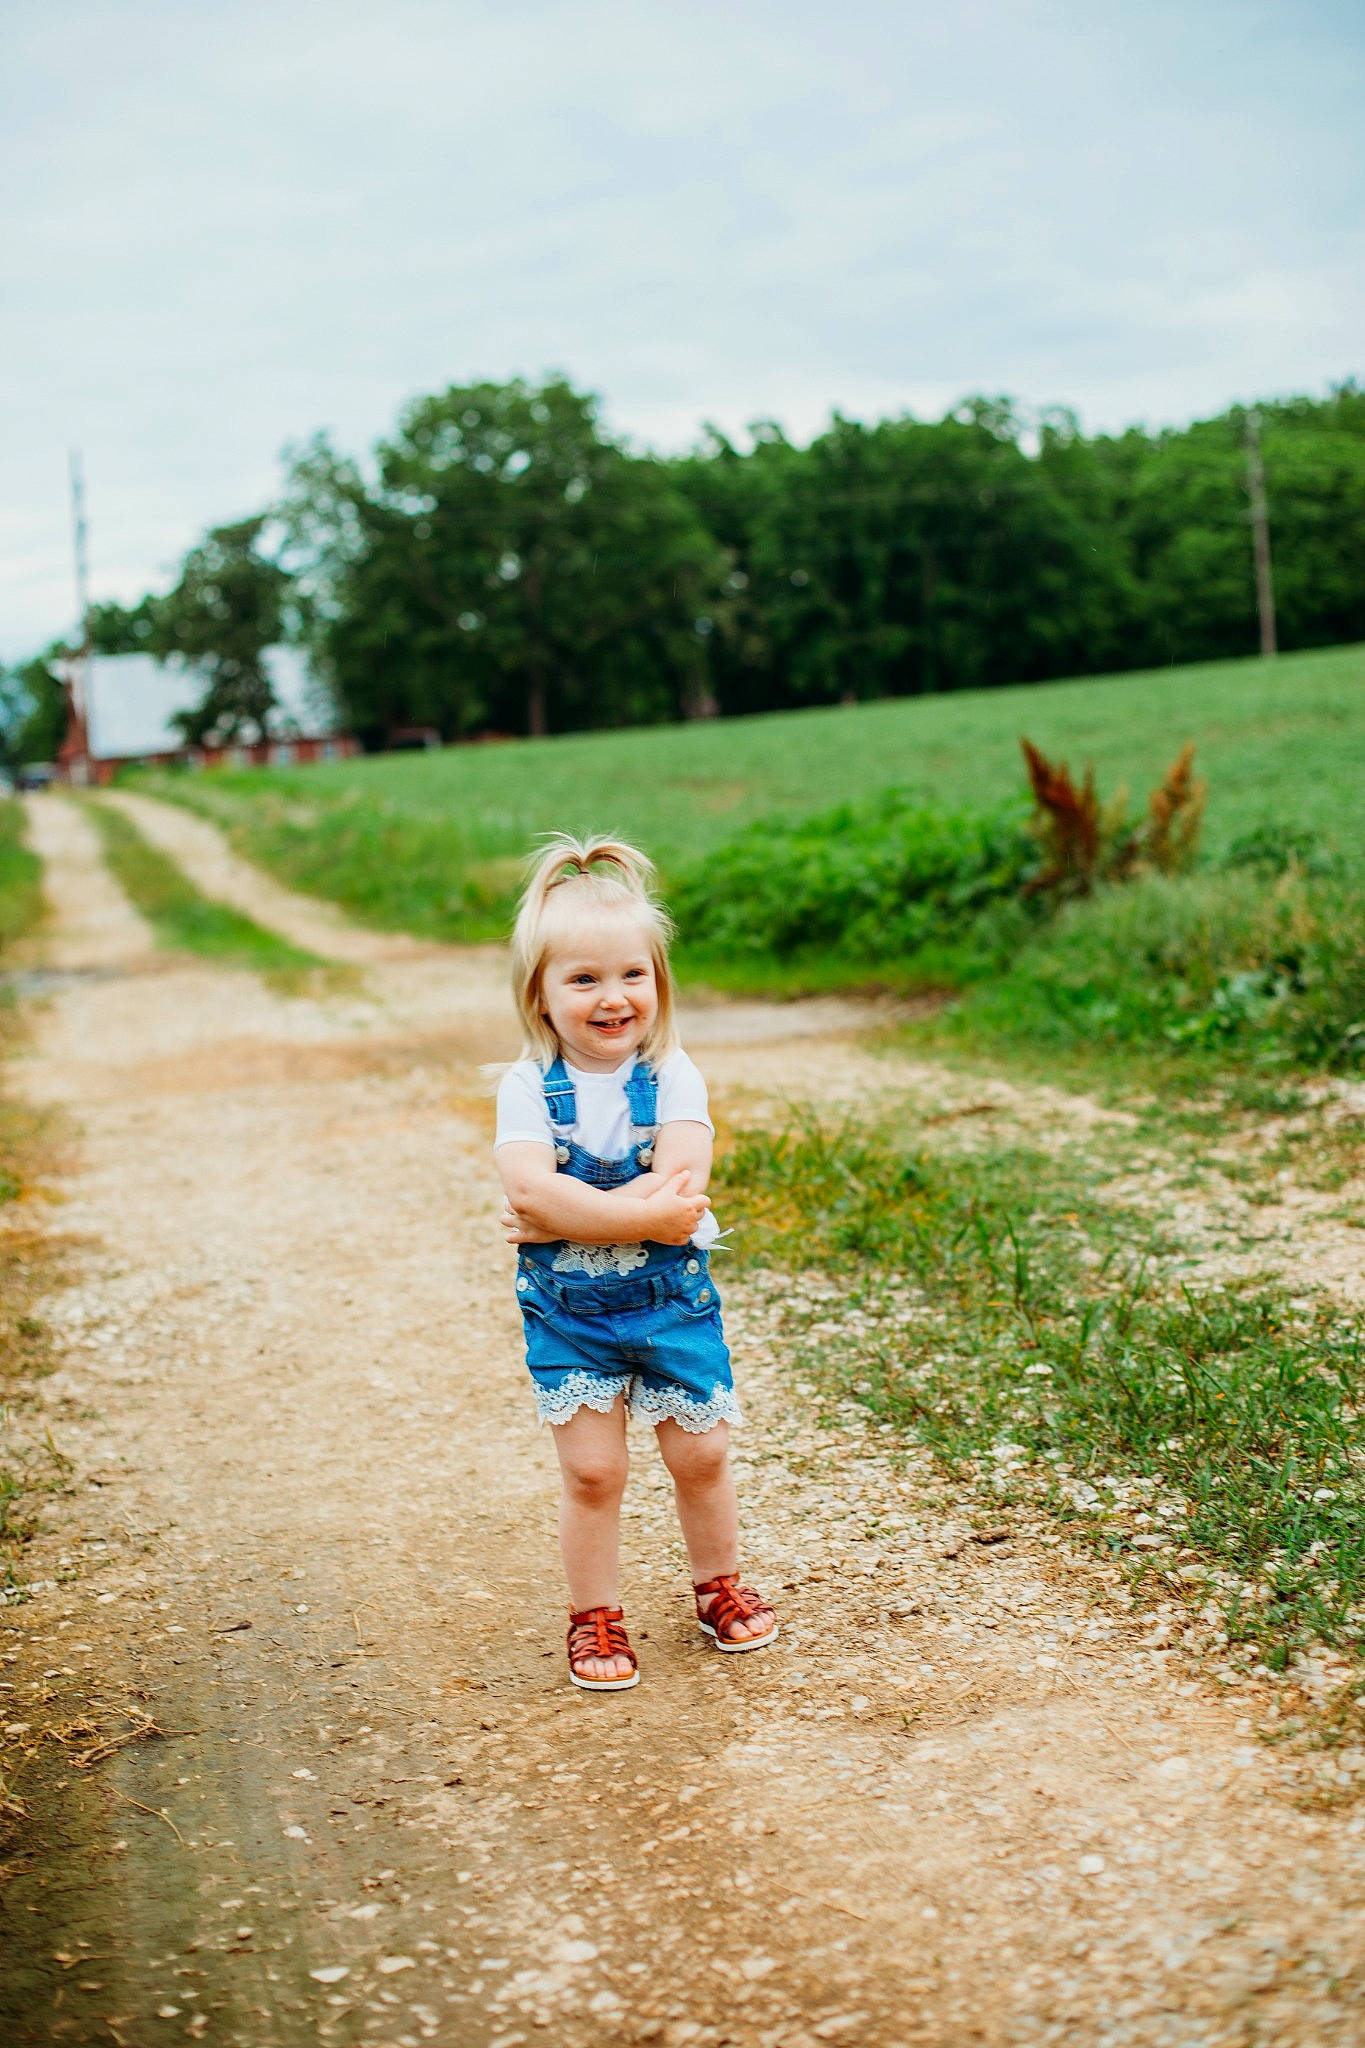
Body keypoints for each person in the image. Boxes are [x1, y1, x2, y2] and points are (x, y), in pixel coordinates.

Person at [495, 834, 777, 1692]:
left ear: (658, 982)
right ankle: (594, 1617)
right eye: (582, 980)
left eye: (631, 975)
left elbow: (682, 1184)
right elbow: (528, 1187)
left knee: (701, 1455)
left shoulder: (673, 1075)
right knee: (592, 1471)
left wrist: (577, 1213)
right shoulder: (526, 1086)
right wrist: (642, 1216)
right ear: (540, 997)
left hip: (671, 1306)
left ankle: (716, 1584)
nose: (612, 998)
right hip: (569, 1316)